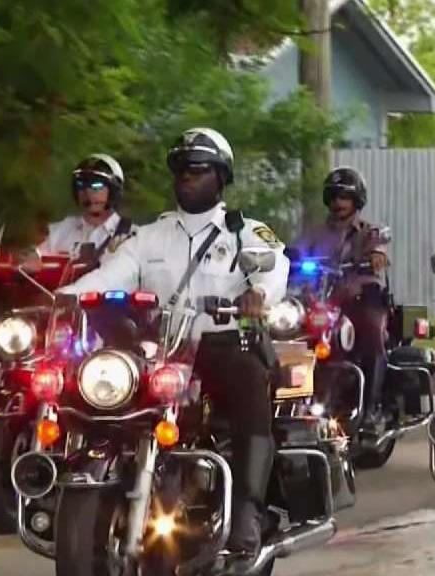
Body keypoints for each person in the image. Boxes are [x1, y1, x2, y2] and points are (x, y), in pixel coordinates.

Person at [58, 128, 288, 568]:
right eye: (182, 168)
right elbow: (110, 275)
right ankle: (97, 489)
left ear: (221, 177)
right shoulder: (149, 237)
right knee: (99, 389)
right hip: (161, 354)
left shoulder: (243, 232)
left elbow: (275, 265)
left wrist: (258, 292)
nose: (187, 176)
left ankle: (247, 514)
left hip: (220, 347)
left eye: (199, 169)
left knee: (248, 381)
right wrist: (67, 295)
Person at [290, 167, 391, 433]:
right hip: (321, 301)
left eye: (344, 196)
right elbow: (293, 252)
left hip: (360, 300)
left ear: (357, 200)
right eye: (334, 196)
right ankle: (285, 408)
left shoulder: (368, 231)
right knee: (286, 335)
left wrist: (375, 257)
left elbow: (379, 248)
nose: (338, 202)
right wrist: (282, 258)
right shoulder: (314, 233)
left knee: (371, 333)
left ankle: (370, 409)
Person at [34, 154, 136, 263]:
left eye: (97, 186)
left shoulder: (133, 236)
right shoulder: (58, 232)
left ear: (113, 191)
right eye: (81, 185)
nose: (88, 192)